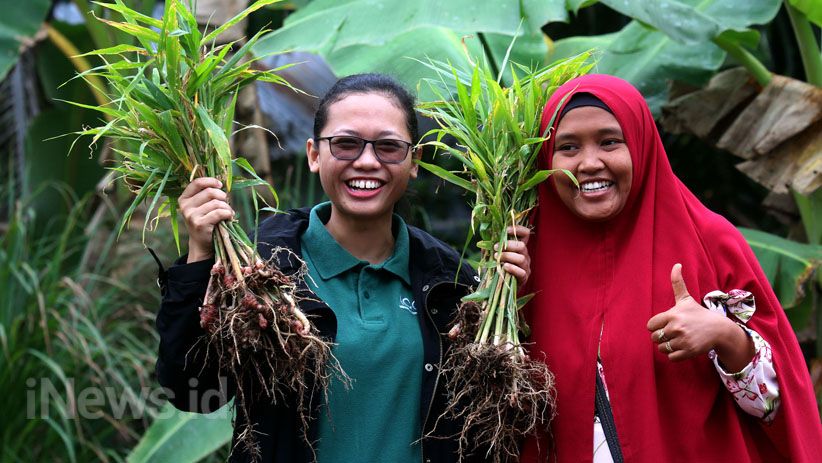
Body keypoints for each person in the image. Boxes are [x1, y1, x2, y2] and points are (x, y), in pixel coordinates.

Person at [155, 73, 531, 463]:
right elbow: (191, 391)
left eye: (388, 146)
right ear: (314, 155)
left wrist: (513, 298)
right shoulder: (259, 267)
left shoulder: (449, 280)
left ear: (414, 161)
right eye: (346, 144)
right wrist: (200, 254)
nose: (367, 161)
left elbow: (493, 417)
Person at [520, 74, 822, 462]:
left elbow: (778, 405)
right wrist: (507, 295)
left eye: (609, 142)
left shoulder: (709, 240)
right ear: (547, 158)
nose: (589, 163)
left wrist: (726, 336)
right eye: (568, 147)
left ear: (641, 144)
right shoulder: (525, 255)